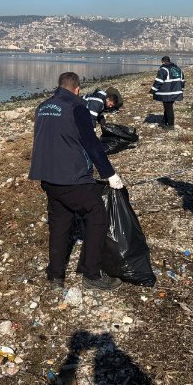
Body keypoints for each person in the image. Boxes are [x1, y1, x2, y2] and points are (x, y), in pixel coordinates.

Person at [29, 72, 125, 291]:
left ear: (60, 86)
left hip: (47, 176)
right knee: (97, 215)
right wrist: (109, 174)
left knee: (60, 224)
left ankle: (55, 276)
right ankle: (91, 274)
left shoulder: (43, 107)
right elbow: (91, 143)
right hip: (72, 177)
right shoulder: (77, 107)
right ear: (77, 89)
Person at [149, 56, 185, 128]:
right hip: (176, 92)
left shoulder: (163, 69)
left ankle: (170, 124)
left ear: (163, 61)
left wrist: (152, 90)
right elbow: (182, 81)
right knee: (168, 106)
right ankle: (165, 121)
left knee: (168, 108)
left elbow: (159, 81)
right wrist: (181, 90)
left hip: (167, 93)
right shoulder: (178, 69)